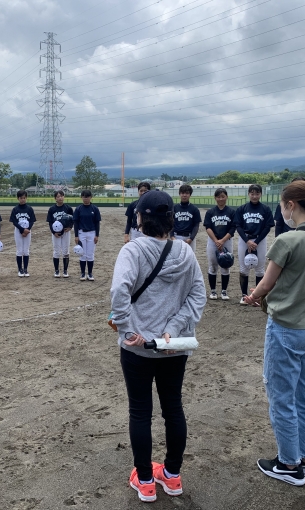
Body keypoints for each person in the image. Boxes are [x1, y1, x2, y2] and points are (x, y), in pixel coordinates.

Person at [110, 190, 206, 503]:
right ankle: (173, 475)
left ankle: (146, 480)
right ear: (170, 218)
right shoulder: (185, 252)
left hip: (138, 347)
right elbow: (198, 296)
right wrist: (172, 329)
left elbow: (119, 291)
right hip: (174, 347)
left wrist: (126, 329)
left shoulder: (133, 250)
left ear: (140, 218)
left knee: (140, 411)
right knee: (173, 408)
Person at [244, 180, 305, 486]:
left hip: (287, 326)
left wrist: (253, 296)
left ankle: (288, 463)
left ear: (291, 205)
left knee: (282, 397)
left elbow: (267, 283)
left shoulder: (289, 239)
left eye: (282, 205)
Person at [235, 184, 274, 305]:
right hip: (244, 240)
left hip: (260, 240)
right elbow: (238, 226)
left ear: (261, 194)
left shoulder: (265, 209)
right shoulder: (242, 209)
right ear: (248, 194)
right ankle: (244, 296)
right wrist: (247, 241)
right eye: (252, 193)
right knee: (243, 269)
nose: (254, 196)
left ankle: (257, 297)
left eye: (257, 193)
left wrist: (256, 242)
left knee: (260, 270)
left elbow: (267, 227)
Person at [203, 188, 236, 300]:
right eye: (218, 197)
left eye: (223, 196)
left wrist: (222, 241)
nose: (221, 199)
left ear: (226, 197)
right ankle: (213, 291)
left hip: (227, 241)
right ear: (215, 198)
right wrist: (216, 241)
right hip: (213, 241)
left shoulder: (231, 212)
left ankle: (224, 291)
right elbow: (208, 227)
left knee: (226, 265)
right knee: (213, 266)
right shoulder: (210, 212)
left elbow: (233, 228)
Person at [73, 190, 101, 281]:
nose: (86, 199)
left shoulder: (94, 209)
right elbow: (76, 223)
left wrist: (97, 235)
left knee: (90, 254)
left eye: (87, 197)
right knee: (82, 253)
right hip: (81, 233)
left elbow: (97, 223)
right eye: (84, 197)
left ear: (90, 197)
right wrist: (76, 236)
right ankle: (82, 273)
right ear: (81, 197)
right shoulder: (78, 209)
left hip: (92, 233)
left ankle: (90, 273)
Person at [9, 190, 37, 277]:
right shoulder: (15, 209)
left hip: (28, 231)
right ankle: (20, 270)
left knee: (26, 250)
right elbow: (14, 222)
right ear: (18, 198)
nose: (23, 199)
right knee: (19, 250)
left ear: (26, 198)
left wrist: (27, 230)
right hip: (18, 231)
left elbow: (32, 221)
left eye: (24, 198)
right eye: (21, 198)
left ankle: (25, 269)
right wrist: (22, 230)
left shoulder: (29, 209)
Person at [47, 190, 74, 278]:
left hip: (66, 232)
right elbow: (50, 222)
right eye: (58, 196)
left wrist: (70, 227)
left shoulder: (68, 208)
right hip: (56, 233)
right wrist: (53, 232)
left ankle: (65, 271)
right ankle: (56, 271)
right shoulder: (52, 209)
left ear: (64, 197)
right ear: (55, 198)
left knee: (66, 251)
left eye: (61, 196)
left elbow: (73, 219)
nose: (60, 198)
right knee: (56, 251)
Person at [170, 184, 201, 252]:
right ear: (179, 194)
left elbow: (196, 225)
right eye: (182, 193)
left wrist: (191, 238)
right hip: (176, 236)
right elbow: (170, 223)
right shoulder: (174, 208)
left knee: (190, 257)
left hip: (189, 237)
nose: (184, 195)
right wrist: (172, 236)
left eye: (187, 193)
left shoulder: (194, 209)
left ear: (190, 194)